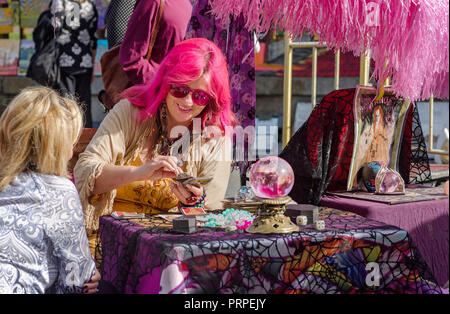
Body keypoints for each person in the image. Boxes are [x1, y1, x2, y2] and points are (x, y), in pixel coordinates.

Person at [73, 38, 237, 243]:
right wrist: (138, 173)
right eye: (180, 89)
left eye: (200, 96)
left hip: (165, 251)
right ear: (166, 82)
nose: (187, 102)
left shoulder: (215, 138)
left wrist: (193, 205)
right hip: (104, 242)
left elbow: (212, 220)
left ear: (212, 99)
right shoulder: (131, 112)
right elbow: (84, 172)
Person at [0, 87, 100, 294]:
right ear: (54, 147)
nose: (72, 152)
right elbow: (76, 280)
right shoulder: (57, 191)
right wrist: (89, 276)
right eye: (70, 144)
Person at [118, 0, 192, 86]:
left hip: (179, 91)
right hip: (154, 93)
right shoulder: (152, 2)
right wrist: (161, 86)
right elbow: (131, 59)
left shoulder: (189, 4)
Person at [52, 0, 98, 128]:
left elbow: (53, 31)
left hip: (64, 62)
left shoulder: (59, 3)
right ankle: (85, 137)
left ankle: (65, 137)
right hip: (85, 63)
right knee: (84, 105)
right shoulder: (90, 5)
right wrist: (93, 67)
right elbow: (93, 40)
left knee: (65, 103)